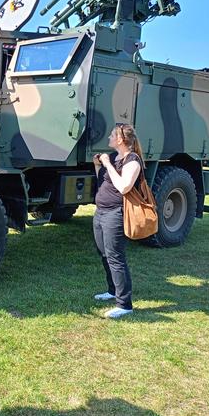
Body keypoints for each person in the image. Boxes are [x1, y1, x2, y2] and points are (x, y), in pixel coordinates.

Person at [92, 123, 144, 319]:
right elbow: (106, 182)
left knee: (115, 256)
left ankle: (124, 304)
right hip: (101, 212)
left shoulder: (133, 161)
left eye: (112, 135)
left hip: (116, 213)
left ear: (121, 140)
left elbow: (123, 187)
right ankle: (112, 290)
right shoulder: (115, 158)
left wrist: (107, 164)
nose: (109, 138)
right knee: (104, 252)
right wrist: (98, 165)